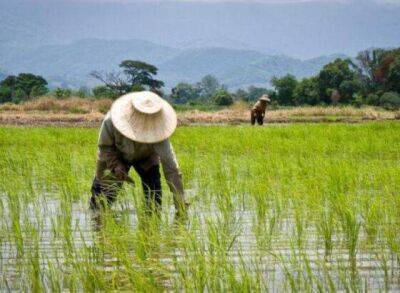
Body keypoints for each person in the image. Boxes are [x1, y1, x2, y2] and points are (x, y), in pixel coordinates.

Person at [90, 91, 188, 216]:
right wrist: (115, 166)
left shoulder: (160, 130)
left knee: (154, 202)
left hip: (147, 157)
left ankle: (151, 229)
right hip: (116, 155)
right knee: (100, 203)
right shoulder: (111, 120)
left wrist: (180, 202)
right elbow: (105, 147)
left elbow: (171, 167)